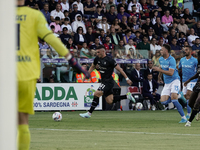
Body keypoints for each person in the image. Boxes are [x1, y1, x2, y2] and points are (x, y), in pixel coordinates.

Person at [16, 0, 90, 150]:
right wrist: (73, 62)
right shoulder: (34, 15)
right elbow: (52, 40)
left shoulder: (3, 15)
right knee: (22, 123)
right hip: (26, 74)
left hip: (5, 73)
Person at [79, 45, 136, 118]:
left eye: (98, 52)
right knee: (110, 101)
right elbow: (92, 66)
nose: (97, 54)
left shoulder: (110, 60)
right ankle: (127, 96)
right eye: (96, 52)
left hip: (108, 82)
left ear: (103, 52)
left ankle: (89, 113)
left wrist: (127, 79)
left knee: (96, 94)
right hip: (103, 81)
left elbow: (120, 69)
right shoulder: (97, 59)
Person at [152, 44, 187, 123]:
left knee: (174, 100)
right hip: (167, 83)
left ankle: (184, 118)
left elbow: (171, 73)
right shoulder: (161, 59)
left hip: (175, 80)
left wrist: (159, 70)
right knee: (163, 102)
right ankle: (179, 95)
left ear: (166, 51)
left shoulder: (172, 60)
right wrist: (159, 77)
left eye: (162, 50)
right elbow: (162, 68)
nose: (160, 51)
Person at [178, 46, 198, 119]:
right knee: (186, 98)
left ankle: (189, 115)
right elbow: (179, 69)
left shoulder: (195, 60)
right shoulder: (182, 60)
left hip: (192, 81)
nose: (185, 51)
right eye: (184, 50)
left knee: (188, 96)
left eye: (186, 50)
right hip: (184, 81)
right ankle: (196, 109)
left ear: (190, 51)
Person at [184, 51, 200, 126]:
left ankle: (189, 122)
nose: (197, 58)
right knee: (191, 103)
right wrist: (189, 80)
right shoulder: (199, 64)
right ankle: (199, 111)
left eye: (198, 57)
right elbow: (198, 73)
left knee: (197, 102)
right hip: (198, 84)